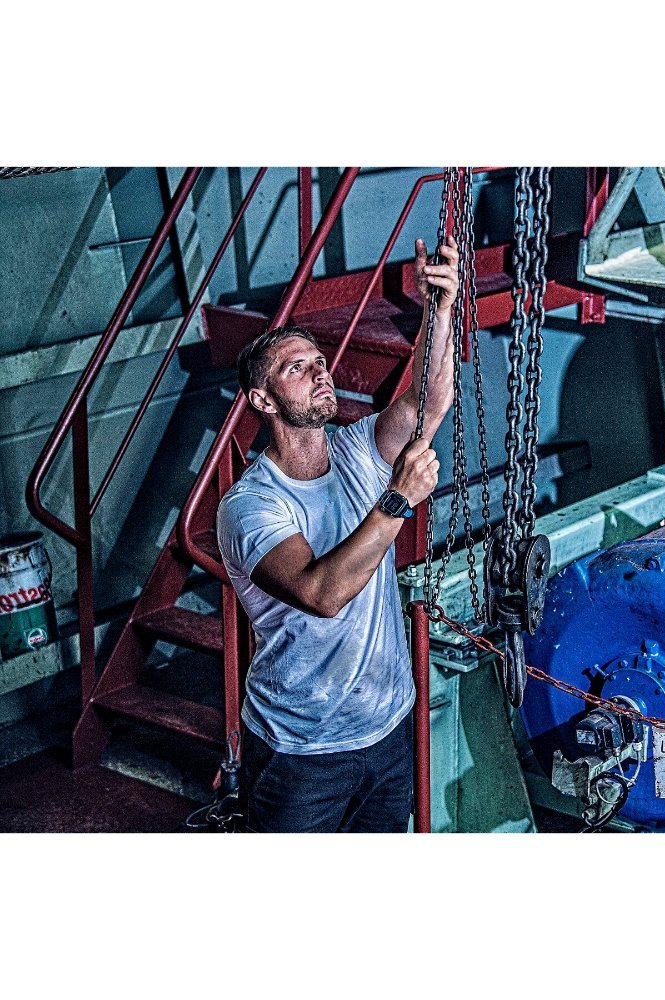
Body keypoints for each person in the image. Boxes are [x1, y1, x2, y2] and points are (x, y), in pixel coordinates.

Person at [216, 236, 459, 832]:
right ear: (262, 399)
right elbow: (321, 592)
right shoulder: (250, 506)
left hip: (388, 727)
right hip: (303, 749)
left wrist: (439, 310)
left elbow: (428, 405)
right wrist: (396, 501)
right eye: (296, 368)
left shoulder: (357, 450)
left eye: (320, 362)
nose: (319, 371)